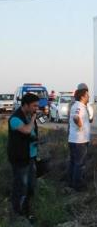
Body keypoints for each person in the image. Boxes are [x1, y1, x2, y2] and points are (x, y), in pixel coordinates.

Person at [7, 93, 40, 223]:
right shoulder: (14, 119)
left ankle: (27, 209)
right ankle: (17, 212)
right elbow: (26, 130)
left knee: (31, 185)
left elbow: (33, 132)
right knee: (21, 185)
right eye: (34, 106)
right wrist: (33, 119)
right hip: (20, 158)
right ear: (25, 105)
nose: (36, 109)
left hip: (31, 156)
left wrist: (36, 140)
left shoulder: (30, 115)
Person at [68, 85, 92, 191]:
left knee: (73, 162)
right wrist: (81, 126)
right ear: (83, 96)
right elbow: (76, 117)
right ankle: (78, 185)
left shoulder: (77, 105)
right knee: (79, 163)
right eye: (87, 95)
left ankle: (71, 182)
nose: (89, 96)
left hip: (74, 139)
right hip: (79, 141)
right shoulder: (79, 106)